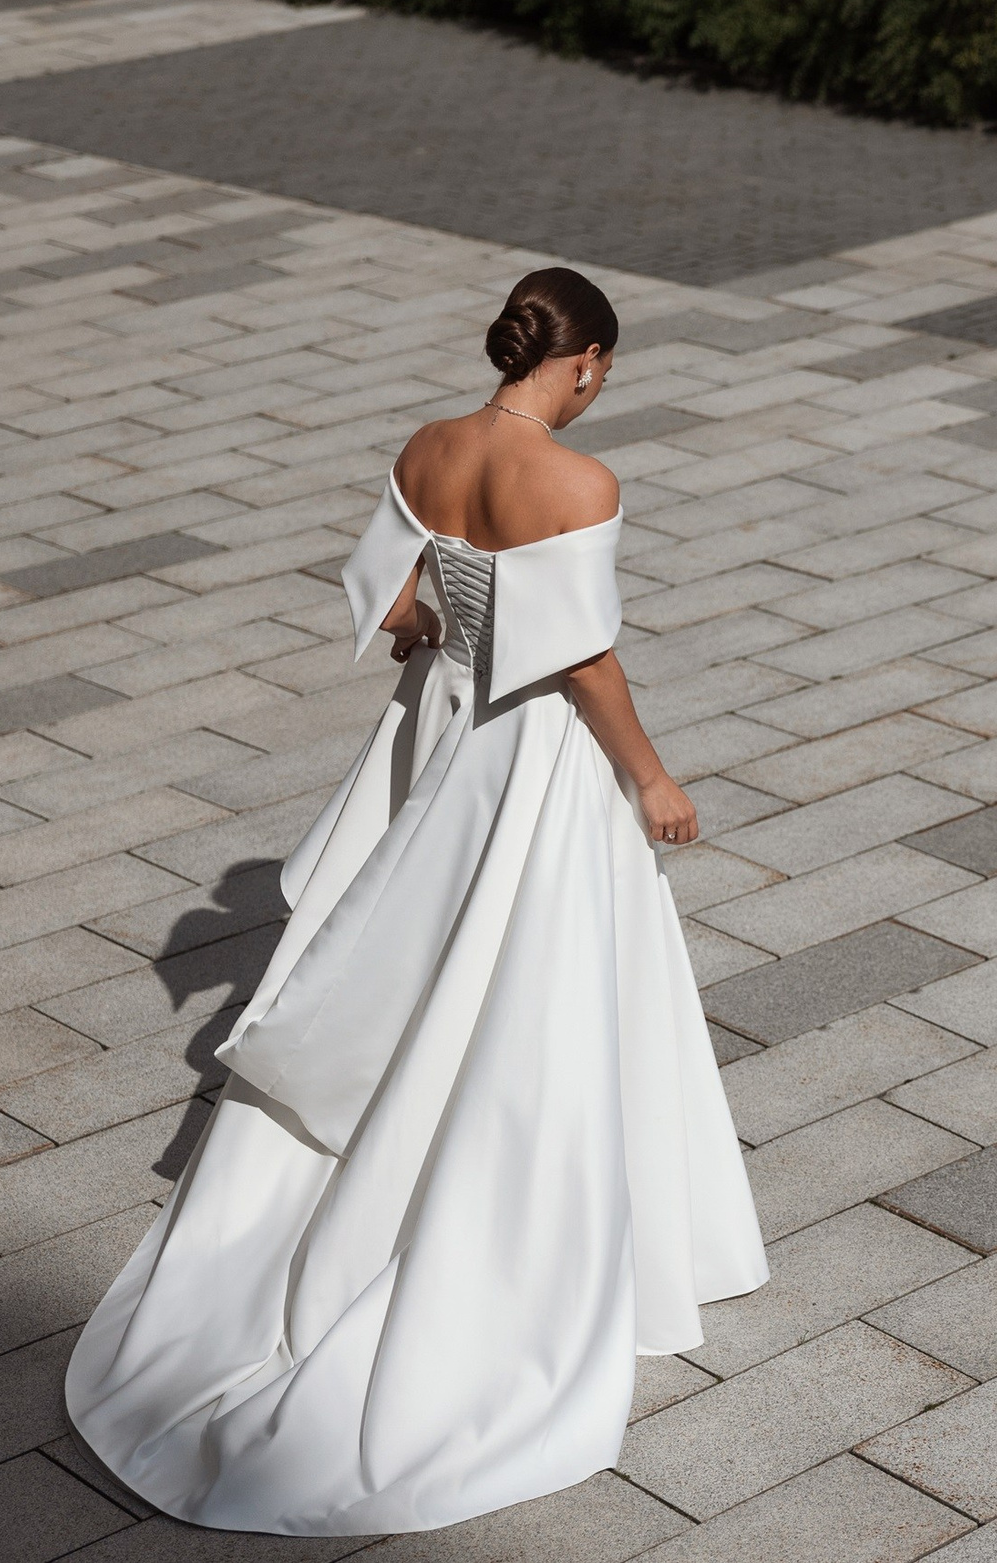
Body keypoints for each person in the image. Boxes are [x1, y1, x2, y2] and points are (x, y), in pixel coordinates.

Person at [65, 268, 769, 1536]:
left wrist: (437, 629)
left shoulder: (430, 447)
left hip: (434, 727)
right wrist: (653, 778)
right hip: (530, 752)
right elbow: (586, 656)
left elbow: (393, 601)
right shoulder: (579, 483)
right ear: (588, 363)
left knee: (415, 945)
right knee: (535, 975)